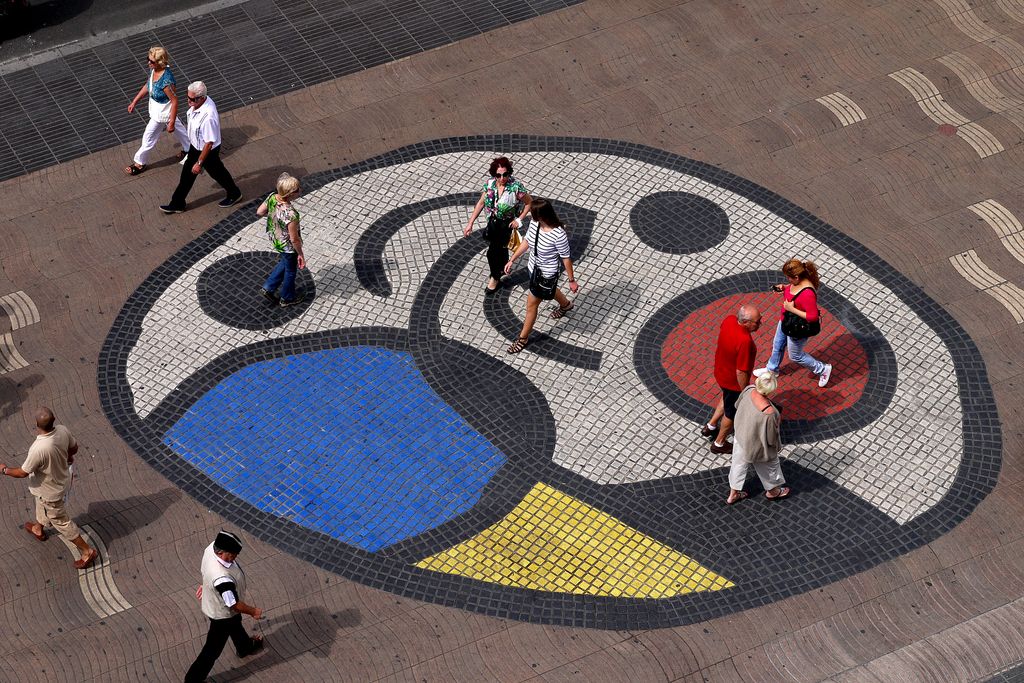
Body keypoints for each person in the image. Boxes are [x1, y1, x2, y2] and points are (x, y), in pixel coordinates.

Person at [0, 407, 97, 569]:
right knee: (41, 506)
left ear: (36, 424)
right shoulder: (62, 430)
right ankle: (38, 528)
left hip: (50, 493)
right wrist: (68, 456)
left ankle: (87, 551)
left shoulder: (39, 448)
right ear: (54, 420)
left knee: (61, 522)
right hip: (61, 480)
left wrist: (4, 470)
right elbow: (74, 448)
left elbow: (23, 472)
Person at [184, 531, 264, 682]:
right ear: (221, 552)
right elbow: (233, 604)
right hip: (221, 615)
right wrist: (253, 611)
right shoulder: (222, 579)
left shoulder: (210, 549)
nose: (234, 558)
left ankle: (244, 647)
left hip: (218, 605)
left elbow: (205, 569)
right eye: (232, 555)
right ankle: (192, 680)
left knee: (235, 623)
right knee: (212, 650)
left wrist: (206, 584)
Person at [503, 197, 580, 354]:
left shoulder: (558, 234)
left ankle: (522, 339)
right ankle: (566, 305)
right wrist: (512, 259)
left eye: (533, 213)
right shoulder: (535, 223)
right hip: (533, 269)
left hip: (547, 274)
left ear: (542, 215)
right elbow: (527, 242)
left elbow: (566, 258)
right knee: (549, 290)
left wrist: (571, 280)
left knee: (531, 305)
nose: (530, 215)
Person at [160, 81, 242, 214]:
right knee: (189, 174)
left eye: (192, 99)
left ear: (202, 98)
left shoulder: (208, 117)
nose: (189, 101)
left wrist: (199, 163)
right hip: (195, 146)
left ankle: (234, 193)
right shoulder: (202, 101)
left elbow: (209, 143)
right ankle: (177, 203)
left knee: (217, 173)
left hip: (206, 150)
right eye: (188, 97)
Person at [753, 258, 832, 388]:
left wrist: (792, 309)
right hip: (786, 320)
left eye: (789, 278)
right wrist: (784, 288)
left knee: (796, 356)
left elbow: (812, 317)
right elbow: (793, 289)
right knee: (777, 345)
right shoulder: (797, 282)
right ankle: (772, 370)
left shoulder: (808, 293)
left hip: (797, 328)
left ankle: (822, 369)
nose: (788, 280)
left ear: (796, 277)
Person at [463, 156, 532, 293]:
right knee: (500, 249)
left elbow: (529, 202)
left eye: (505, 174)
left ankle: (495, 278)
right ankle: (502, 268)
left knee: (492, 252)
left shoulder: (515, 187)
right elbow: (481, 203)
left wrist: (519, 219)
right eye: (498, 175)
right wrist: (470, 223)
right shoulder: (490, 184)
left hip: (507, 225)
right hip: (493, 222)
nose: (502, 178)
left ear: (509, 172)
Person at [702, 304, 762, 454]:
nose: (759, 324)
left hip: (720, 372)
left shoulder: (729, 320)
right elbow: (741, 371)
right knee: (731, 411)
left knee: (726, 398)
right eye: (757, 322)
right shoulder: (745, 341)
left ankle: (711, 426)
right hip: (733, 382)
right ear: (747, 322)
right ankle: (719, 443)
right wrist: (744, 391)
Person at [726, 371, 791, 504]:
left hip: (741, 435)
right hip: (757, 444)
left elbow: (737, 405)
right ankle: (773, 491)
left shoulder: (749, 389)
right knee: (770, 466)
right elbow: (771, 437)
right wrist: (776, 448)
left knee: (738, 464)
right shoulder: (769, 413)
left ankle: (733, 494)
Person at [124, 46, 189, 175]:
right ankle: (191, 149)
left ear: (160, 62)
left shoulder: (166, 81)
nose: (149, 63)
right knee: (180, 131)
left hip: (163, 113)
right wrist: (134, 101)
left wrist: (170, 122)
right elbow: (149, 85)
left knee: (149, 136)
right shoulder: (155, 70)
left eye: (152, 61)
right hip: (158, 110)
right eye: (148, 59)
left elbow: (174, 101)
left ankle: (140, 162)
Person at [258, 173, 307, 306]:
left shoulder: (272, 197)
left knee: (285, 262)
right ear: (290, 194)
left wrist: (275, 217)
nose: (299, 191)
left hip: (275, 238)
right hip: (287, 245)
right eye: (297, 190)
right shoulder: (291, 214)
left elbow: (260, 212)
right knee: (291, 270)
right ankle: (287, 298)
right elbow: (294, 239)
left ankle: (269, 287)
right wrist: (301, 254)